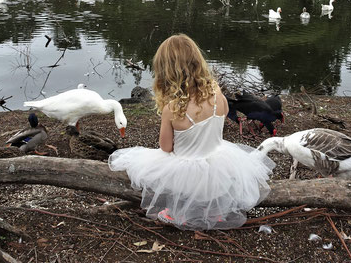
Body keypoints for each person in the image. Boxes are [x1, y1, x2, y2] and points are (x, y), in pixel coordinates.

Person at [109, 34, 275, 230]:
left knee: (150, 164)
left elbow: (166, 147)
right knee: (210, 183)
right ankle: (216, 210)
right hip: (219, 166)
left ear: (166, 72)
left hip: (186, 175)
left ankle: (181, 212)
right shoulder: (217, 95)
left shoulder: (172, 109)